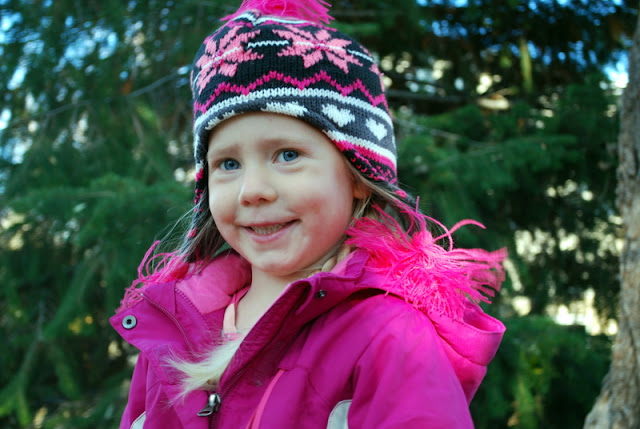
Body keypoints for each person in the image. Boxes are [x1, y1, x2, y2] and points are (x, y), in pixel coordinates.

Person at [111, 0, 507, 427]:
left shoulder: (390, 335)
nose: (252, 190)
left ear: (358, 175)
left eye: (287, 154)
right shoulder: (173, 332)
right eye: (228, 163)